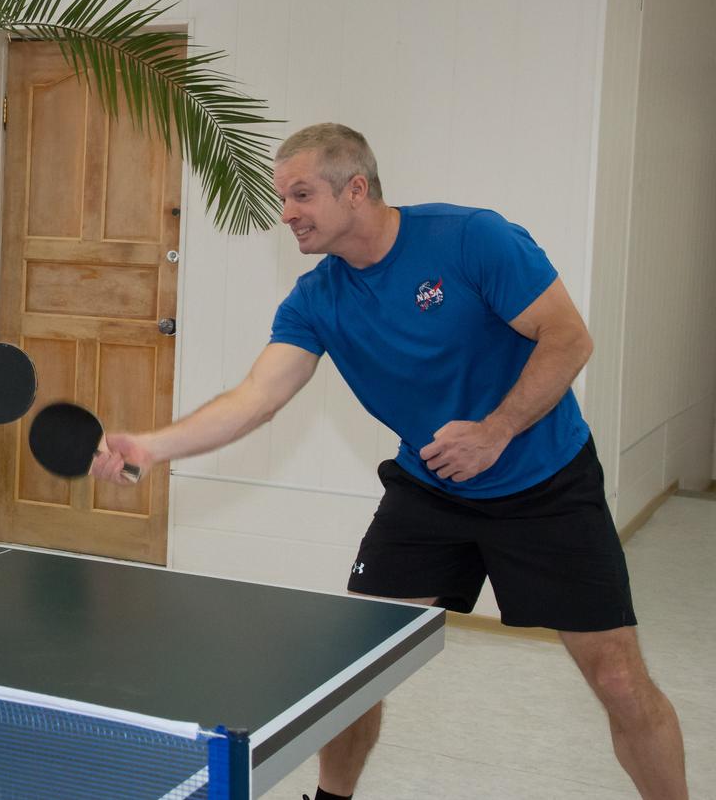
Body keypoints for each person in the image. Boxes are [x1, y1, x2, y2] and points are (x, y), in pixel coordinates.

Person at [90, 123, 688, 799]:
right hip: (432, 489)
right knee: (355, 667)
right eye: (282, 196)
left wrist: (495, 430)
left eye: (302, 193)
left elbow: (569, 337)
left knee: (617, 677)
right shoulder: (318, 298)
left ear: (357, 188)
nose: (285, 212)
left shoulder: (470, 239)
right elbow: (257, 397)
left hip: (545, 480)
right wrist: (152, 445)